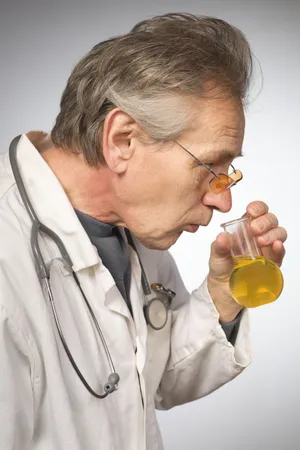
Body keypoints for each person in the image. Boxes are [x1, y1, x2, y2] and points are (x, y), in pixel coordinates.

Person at [0, 12, 287, 450]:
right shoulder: (8, 258)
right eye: (212, 166)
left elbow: (150, 376)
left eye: (230, 174)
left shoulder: (131, 228)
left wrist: (224, 294)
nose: (223, 200)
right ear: (122, 141)